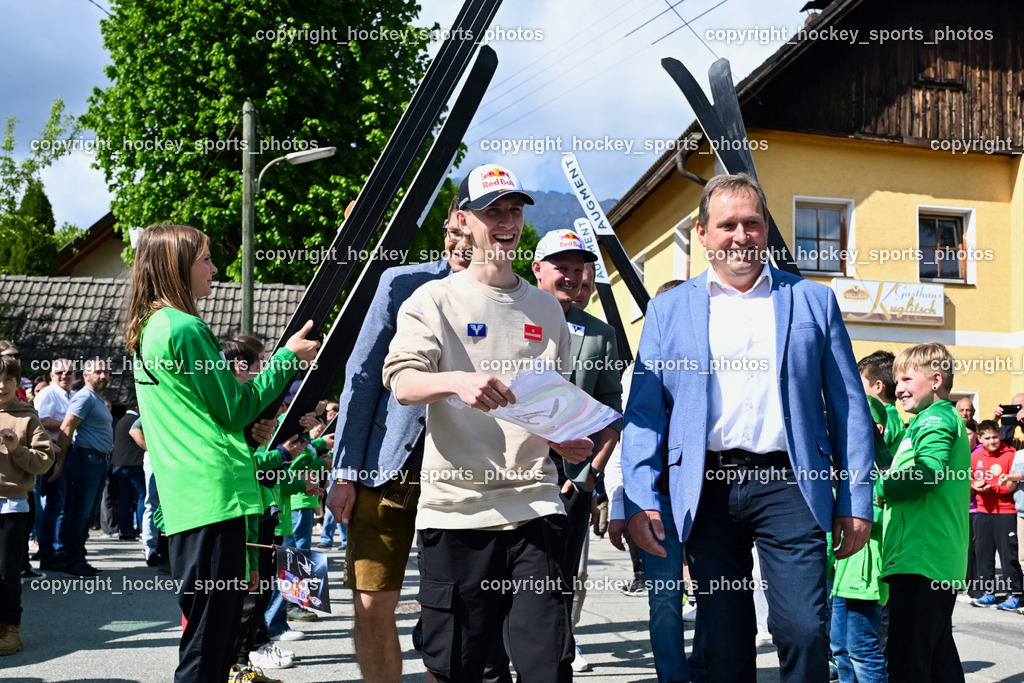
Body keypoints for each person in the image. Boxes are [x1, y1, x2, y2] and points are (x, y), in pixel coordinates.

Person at [622, 172, 875, 682]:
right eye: (728, 224)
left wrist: (855, 500)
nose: (741, 235)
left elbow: (850, 407)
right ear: (702, 233)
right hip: (706, 487)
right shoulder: (668, 310)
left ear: (766, 230)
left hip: (790, 486)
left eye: (752, 223)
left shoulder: (811, 301)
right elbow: (646, 414)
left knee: (804, 629)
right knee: (725, 641)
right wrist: (641, 497)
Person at [382, 163, 592, 681]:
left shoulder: (547, 307)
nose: (506, 220)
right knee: (467, 668)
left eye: (514, 210)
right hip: (457, 511)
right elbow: (401, 381)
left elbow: (551, 399)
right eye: (492, 210)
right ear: (463, 221)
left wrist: (565, 439)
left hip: (535, 503)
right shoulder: (433, 299)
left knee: (546, 661)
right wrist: (456, 381)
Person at [124, 224, 318, 682]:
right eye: (205, 259)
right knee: (211, 642)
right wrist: (288, 359)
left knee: (207, 634)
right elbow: (235, 408)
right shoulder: (186, 327)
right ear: (177, 266)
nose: (215, 268)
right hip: (216, 498)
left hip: (189, 499)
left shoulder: (150, 327)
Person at [326, 196, 471, 683]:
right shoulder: (401, 283)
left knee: (452, 606)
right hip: (385, 467)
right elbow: (362, 376)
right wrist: (344, 471)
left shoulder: (505, 297)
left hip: (460, 472)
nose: (460, 246)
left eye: (472, 237)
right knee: (371, 600)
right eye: (454, 233)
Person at [530, 229, 622, 674]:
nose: (569, 276)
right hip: (510, 475)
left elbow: (610, 415)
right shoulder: (512, 316)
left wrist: (587, 476)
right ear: (538, 270)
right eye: (560, 267)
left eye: (577, 268)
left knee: (562, 577)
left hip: (571, 481)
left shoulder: (601, 336)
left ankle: (558, 654)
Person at [877, 342, 969, 683]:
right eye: (896, 381)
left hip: (922, 557)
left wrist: (881, 488)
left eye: (905, 379)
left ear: (935, 379)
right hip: (932, 555)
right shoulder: (933, 418)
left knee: (907, 661)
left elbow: (928, 472)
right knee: (937, 658)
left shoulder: (934, 417)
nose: (897, 388)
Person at [0, 353, 55, 655]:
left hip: (11, 507)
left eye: (8, 379)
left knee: (8, 572)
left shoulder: (26, 416)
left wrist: (17, 449)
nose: (1, 385)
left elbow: (44, 461)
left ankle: (11, 631)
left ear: (16, 383)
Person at [54, 357, 113, 577]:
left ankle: (79, 557)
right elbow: (67, 427)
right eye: (98, 372)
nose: (103, 375)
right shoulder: (85, 397)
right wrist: (60, 463)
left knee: (87, 515)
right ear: (86, 376)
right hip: (86, 460)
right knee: (79, 513)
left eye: (106, 371)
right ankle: (72, 560)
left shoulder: (97, 399)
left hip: (98, 462)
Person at [968, 419, 1022, 610]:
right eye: (987, 438)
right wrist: (975, 486)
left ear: (1000, 434)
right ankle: (987, 593)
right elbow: (969, 479)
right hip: (982, 512)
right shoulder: (975, 457)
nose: (992, 441)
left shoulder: (1011, 455)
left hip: (1006, 513)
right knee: (983, 555)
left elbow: (1012, 485)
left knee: (1008, 555)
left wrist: (994, 489)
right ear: (980, 438)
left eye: (995, 437)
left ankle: (1014, 594)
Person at [34, 358, 76, 572]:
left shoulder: (72, 395)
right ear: (51, 375)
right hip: (52, 454)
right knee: (55, 506)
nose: (64, 376)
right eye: (59, 372)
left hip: (68, 453)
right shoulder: (48, 393)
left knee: (63, 506)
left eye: (68, 372)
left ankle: (59, 551)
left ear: (75, 376)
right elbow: (40, 421)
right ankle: (50, 553)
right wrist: (70, 422)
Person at [112, 396, 146, 541]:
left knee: (124, 499)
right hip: (134, 464)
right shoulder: (135, 421)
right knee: (142, 496)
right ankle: (143, 529)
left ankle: (124, 530)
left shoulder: (121, 420)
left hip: (119, 464)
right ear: (137, 407)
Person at [858, 350, 905, 453]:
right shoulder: (893, 416)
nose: (856, 389)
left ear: (878, 386)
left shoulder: (888, 418)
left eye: (859, 384)